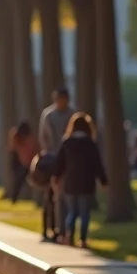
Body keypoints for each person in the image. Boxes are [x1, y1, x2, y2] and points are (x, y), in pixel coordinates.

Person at [53, 113, 108, 248]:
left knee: (72, 211)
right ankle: (83, 239)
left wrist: (56, 177)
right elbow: (97, 164)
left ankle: (69, 236)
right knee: (84, 213)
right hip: (86, 182)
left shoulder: (67, 142)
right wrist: (103, 180)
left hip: (70, 182)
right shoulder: (90, 143)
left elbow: (60, 163)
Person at [8, 121, 39, 203]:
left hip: (27, 160)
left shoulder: (29, 138)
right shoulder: (16, 136)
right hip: (17, 159)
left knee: (25, 179)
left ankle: (28, 196)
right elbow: (17, 150)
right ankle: (14, 197)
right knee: (18, 179)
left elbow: (30, 150)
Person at [39, 87, 74, 155]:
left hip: (69, 152)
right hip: (52, 152)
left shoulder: (73, 114)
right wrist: (46, 150)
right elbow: (43, 135)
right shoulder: (48, 115)